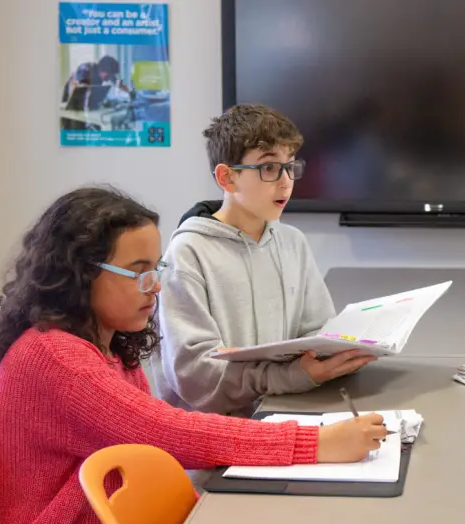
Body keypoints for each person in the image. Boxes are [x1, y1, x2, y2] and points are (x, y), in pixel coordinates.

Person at [0, 187, 387, 524]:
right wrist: (317, 442)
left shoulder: (105, 340)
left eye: (156, 269)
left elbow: (154, 440)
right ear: (82, 274)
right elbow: (167, 434)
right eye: (139, 271)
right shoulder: (57, 357)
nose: (155, 287)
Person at [149, 104, 375, 416]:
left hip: (284, 412)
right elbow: (196, 376)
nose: (286, 182)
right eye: (269, 168)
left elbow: (316, 332)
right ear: (227, 178)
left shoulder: (292, 242)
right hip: (215, 439)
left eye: (291, 167)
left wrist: (337, 354)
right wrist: (293, 376)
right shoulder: (187, 253)